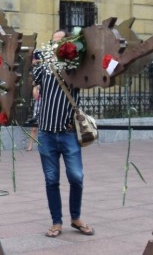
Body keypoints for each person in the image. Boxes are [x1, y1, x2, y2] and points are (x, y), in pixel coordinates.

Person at [32, 30, 94, 238]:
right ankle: (56, 222)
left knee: (76, 177)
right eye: (54, 42)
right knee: (51, 180)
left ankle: (75, 218)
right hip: (46, 134)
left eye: (61, 42)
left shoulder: (75, 68)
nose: (56, 46)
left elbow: (91, 71)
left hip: (68, 134)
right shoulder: (45, 68)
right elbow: (32, 78)